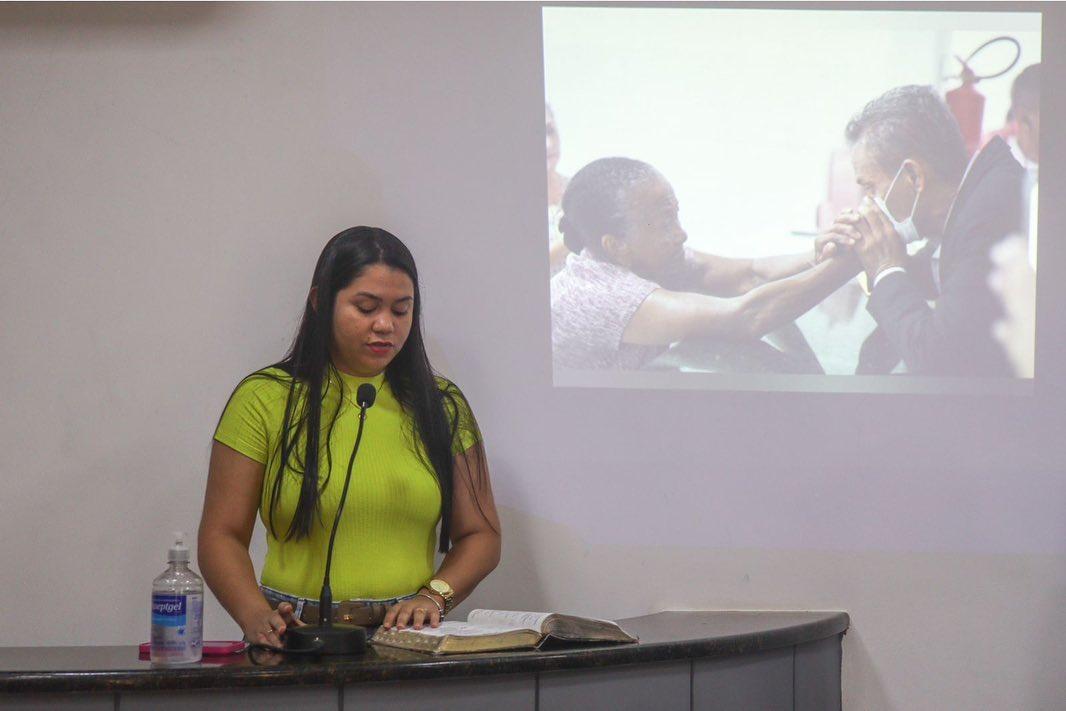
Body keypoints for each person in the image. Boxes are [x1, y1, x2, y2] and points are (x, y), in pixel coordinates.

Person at [199, 227, 501, 647]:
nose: (385, 325)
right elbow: (221, 534)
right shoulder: (264, 398)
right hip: (295, 634)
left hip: (408, 636)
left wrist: (435, 595)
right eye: (365, 307)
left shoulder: (442, 405)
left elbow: (482, 535)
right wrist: (254, 615)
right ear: (321, 301)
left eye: (401, 310)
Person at [550, 157, 860, 370]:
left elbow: (751, 274)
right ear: (616, 245)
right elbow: (746, 317)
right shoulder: (603, 296)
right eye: (663, 224)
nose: (681, 234)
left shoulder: (648, 258)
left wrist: (821, 252)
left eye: (675, 216)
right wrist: (857, 258)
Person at [834, 85, 1024, 376]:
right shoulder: (975, 202)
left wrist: (886, 267)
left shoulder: (988, 214)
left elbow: (939, 358)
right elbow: (942, 277)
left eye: (870, 188)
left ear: (913, 176)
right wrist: (868, 262)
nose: (866, 205)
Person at [546, 104, 571, 275]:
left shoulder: (578, 188)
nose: (549, 144)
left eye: (550, 131)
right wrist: (570, 239)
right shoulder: (508, 201)